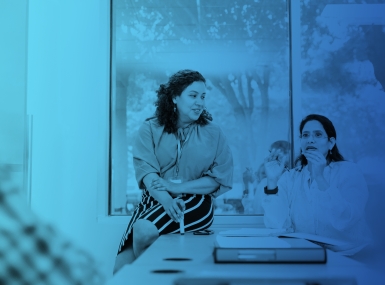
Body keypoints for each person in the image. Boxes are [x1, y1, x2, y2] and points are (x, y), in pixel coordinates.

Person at [114, 70, 233, 273]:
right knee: (119, 270)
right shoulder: (150, 128)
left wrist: (176, 186)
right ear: (175, 97)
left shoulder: (214, 133)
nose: (199, 102)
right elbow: (148, 173)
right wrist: (167, 199)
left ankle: (152, 280)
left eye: (203, 96)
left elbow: (218, 179)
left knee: (143, 230)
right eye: (193, 95)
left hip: (196, 200)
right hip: (154, 198)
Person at [262, 114, 371, 255]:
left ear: (331, 143)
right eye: (305, 135)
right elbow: (276, 224)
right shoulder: (291, 177)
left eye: (318, 135)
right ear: (301, 142)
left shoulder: (349, 171)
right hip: (308, 255)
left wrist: (320, 177)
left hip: (351, 254)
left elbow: (346, 219)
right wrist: (271, 181)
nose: (310, 140)